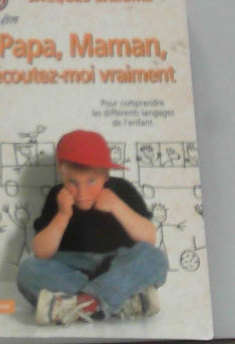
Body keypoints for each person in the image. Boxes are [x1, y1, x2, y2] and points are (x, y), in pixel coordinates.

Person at [16, 130, 168, 325]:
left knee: (155, 258)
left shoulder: (122, 189)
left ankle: (78, 304)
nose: (82, 193)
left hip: (116, 266)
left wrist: (117, 206)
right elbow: (41, 251)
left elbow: (149, 238)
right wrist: (62, 216)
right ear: (62, 172)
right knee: (27, 270)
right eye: (73, 182)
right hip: (71, 269)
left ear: (105, 175)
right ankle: (118, 300)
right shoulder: (57, 196)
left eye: (91, 181)